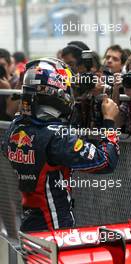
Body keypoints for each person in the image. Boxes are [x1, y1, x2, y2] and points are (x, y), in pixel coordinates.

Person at [1, 57, 120, 232]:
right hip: (55, 229)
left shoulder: (14, 127)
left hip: (29, 224)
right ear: (55, 90)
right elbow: (105, 161)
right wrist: (109, 123)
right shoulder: (56, 137)